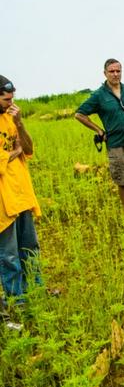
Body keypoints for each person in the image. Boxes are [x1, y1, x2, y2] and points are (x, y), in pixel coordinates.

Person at [75, 59, 124, 218]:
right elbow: (79, 114)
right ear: (105, 73)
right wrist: (99, 130)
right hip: (116, 145)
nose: (115, 74)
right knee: (122, 182)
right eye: (111, 71)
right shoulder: (99, 95)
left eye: (118, 71)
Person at [0, 74, 42, 320]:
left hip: (22, 194)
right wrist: (12, 153)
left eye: (12, 97)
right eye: (6, 99)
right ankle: (18, 301)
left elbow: (27, 149)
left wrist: (20, 124)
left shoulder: (11, 118)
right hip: (4, 201)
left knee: (30, 248)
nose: (10, 102)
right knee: (8, 255)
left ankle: (36, 292)